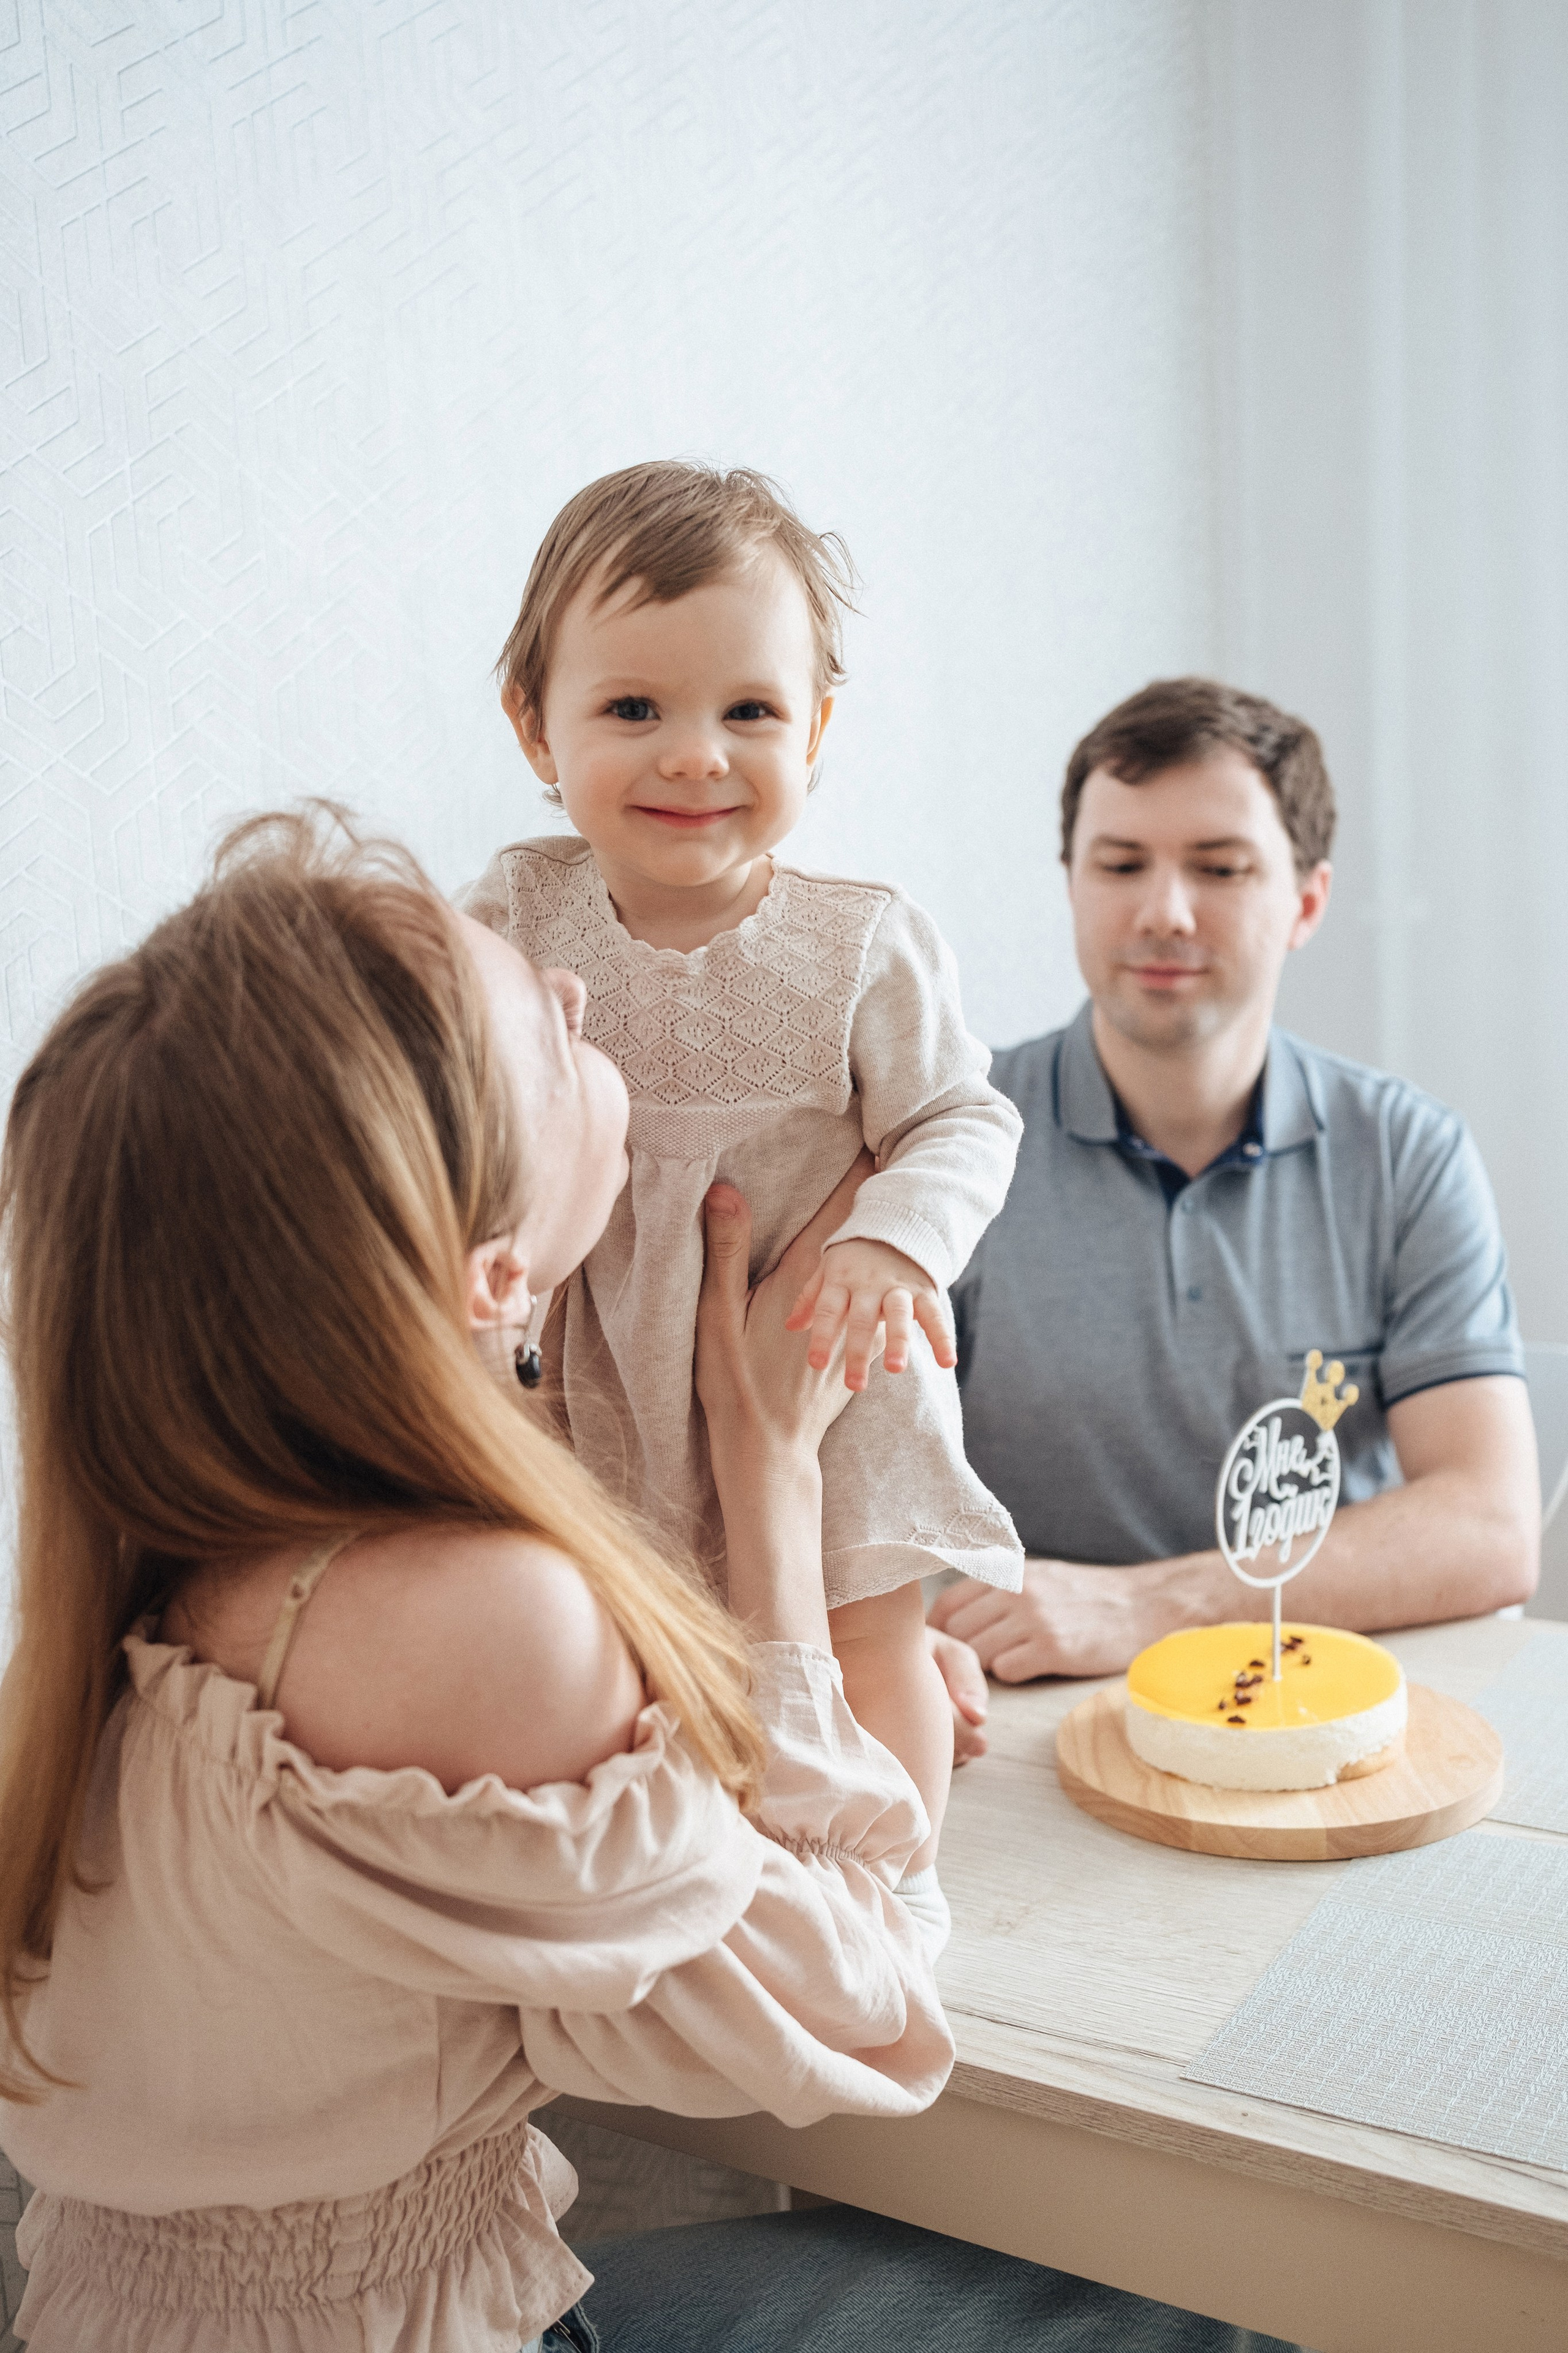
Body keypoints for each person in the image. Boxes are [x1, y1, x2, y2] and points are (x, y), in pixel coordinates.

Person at [0, 807, 1298, 2353]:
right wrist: (772, 1473)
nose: (570, 989)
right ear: (494, 1275)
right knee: (1202, 2304)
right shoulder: (471, 1623)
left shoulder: (162, 1564)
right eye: (532, 1023)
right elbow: (863, 2001)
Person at [463, 459, 1024, 1945]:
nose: (695, 756)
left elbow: (961, 1116)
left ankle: (887, 1873)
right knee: (629, 1642)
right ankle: (688, 1872)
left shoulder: (861, 945)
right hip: (600, 1368)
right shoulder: (511, 918)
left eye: (750, 712)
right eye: (632, 709)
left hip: (819, 1361)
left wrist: (898, 1238)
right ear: (537, 726)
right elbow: (443, 1110)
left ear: (816, 729)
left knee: (862, 1627)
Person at [931, 678, 1538, 1700]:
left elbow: (1490, 1525)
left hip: (1328, 1697)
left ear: (1306, 901)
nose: (1163, 911)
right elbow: (842, 1490)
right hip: (1031, 1700)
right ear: (1072, 883)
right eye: (1120, 864)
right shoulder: (949, 1140)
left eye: (1219, 868)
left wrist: (1147, 1607)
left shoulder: (1410, 1154)